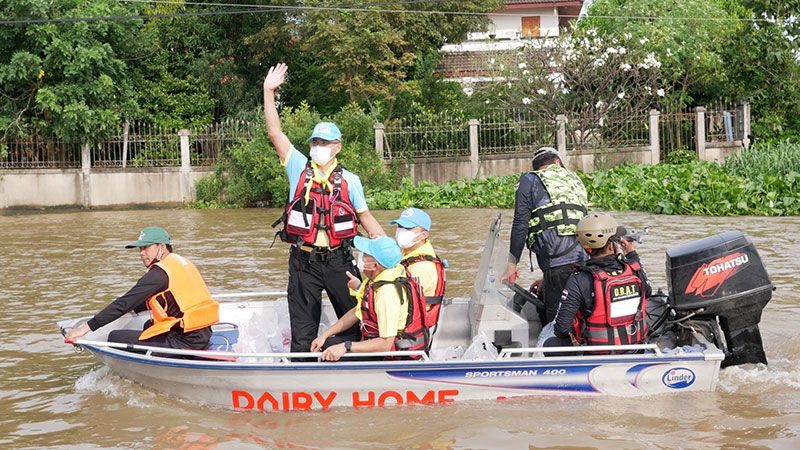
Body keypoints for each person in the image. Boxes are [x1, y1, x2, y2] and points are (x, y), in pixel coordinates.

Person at [263, 63, 385, 353]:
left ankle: (353, 370)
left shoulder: (351, 181)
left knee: (357, 324)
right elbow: (274, 132)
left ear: (337, 146)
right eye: (315, 141)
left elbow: (366, 219)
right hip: (303, 263)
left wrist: (389, 254)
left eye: (325, 142)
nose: (318, 146)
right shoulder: (297, 168)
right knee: (303, 334)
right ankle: (304, 377)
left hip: (339, 263)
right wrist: (269, 91)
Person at [64, 227, 219, 351]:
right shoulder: (180, 262)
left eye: (146, 248)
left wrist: (84, 329)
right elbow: (164, 300)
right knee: (148, 325)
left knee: (115, 337)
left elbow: (124, 303)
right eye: (140, 249)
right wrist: (128, 309)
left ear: (162, 247)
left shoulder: (158, 274)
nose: (142, 254)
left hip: (185, 341)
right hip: (202, 333)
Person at [500, 146, 588, 325]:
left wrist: (511, 264)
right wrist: (545, 279)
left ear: (536, 167)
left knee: (555, 322)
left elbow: (520, 224)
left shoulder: (530, 180)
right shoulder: (575, 179)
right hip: (585, 261)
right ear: (557, 162)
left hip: (556, 266)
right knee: (580, 313)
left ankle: (558, 350)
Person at [310, 236, 429, 361]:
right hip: (375, 342)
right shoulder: (379, 279)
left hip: (391, 353)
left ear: (375, 265)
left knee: (332, 354)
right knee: (329, 343)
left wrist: (346, 346)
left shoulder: (386, 292)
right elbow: (357, 311)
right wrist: (324, 335)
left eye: (365, 254)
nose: (361, 256)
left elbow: (385, 344)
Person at [545, 213, 650, 349]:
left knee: (551, 344)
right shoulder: (634, 268)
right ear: (612, 245)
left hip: (599, 352)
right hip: (636, 348)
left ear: (586, 248)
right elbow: (648, 291)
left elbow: (562, 328)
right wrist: (631, 254)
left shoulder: (579, 279)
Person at [389, 207, 446, 327]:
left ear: (424, 235)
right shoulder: (407, 253)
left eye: (408, 228)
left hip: (410, 326)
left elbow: (398, 303)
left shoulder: (421, 267)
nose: (401, 231)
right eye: (399, 226)